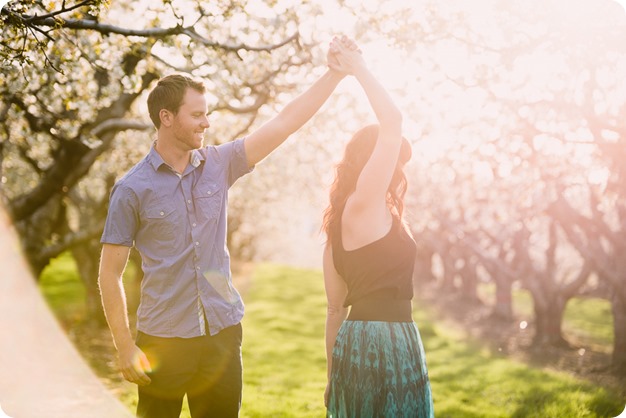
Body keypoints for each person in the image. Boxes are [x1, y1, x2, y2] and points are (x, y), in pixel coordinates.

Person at [98, 37, 358, 418]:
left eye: (207, 114)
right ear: (166, 118)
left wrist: (334, 75)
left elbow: (284, 123)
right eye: (197, 115)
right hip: (162, 342)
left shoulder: (220, 164)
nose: (206, 123)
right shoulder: (131, 189)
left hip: (222, 334)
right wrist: (123, 346)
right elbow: (109, 273)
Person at [321, 40, 434, 417]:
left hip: (355, 343)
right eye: (393, 160)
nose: (398, 169)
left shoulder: (340, 223)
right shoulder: (365, 200)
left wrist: (332, 377)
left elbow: (334, 310)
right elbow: (393, 123)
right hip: (386, 340)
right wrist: (359, 68)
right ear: (371, 162)